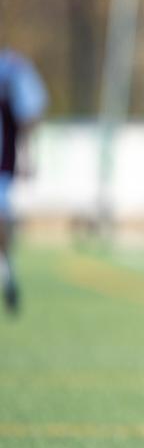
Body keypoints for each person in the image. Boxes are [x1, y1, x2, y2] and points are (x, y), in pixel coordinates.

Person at [0, 48, 48, 316]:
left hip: (2, 170)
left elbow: (30, 115)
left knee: (3, 224)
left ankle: (8, 274)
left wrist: (28, 156)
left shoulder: (12, 69)